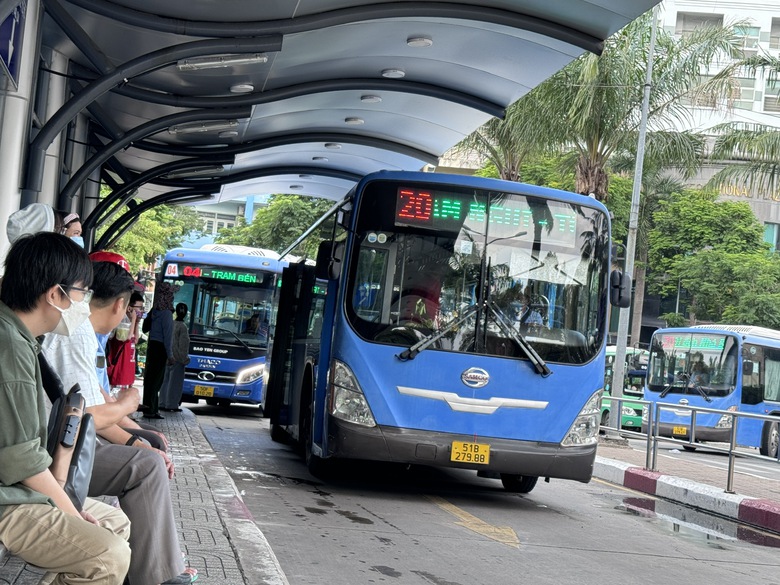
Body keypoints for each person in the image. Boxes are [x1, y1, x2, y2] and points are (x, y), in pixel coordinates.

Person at [41, 260, 197, 584]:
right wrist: (132, 417)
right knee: (147, 466)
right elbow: (88, 415)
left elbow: (98, 403)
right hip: (54, 449)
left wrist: (139, 432)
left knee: (146, 458)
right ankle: (159, 575)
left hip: (60, 445)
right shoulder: (78, 332)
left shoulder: (81, 330)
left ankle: (161, 568)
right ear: (120, 305)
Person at [0, 231, 132, 584]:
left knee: (115, 523)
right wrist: (71, 511)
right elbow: (22, 459)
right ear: (55, 294)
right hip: (7, 498)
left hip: (17, 488)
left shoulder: (20, 338)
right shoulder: (10, 346)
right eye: (80, 293)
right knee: (108, 556)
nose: (84, 304)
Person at [143, 282, 176, 419]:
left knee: (149, 380)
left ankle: (148, 407)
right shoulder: (167, 314)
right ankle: (152, 409)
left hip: (152, 346)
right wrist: (170, 355)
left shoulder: (154, 311)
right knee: (156, 381)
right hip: (160, 349)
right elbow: (168, 337)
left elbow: (146, 328)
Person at [160, 303, 191, 412]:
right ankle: (172, 404)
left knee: (165, 382)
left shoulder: (171, 324)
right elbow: (183, 346)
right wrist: (184, 359)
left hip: (167, 357)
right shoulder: (183, 327)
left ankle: (162, 403)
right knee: (175, 384)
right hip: (177, 359)